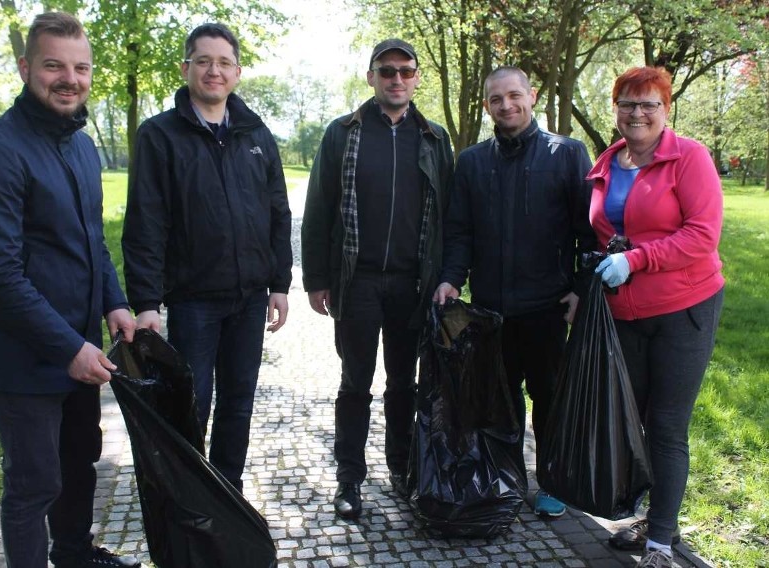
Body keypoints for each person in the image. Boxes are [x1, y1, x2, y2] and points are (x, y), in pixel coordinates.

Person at [0, 12, 140, 568]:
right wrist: (69, 349)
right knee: (34, 486)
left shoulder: (82, 149)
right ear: (25, 67)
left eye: (80, 68)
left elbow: (92, 244)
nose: (69, 78)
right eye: (54, 65)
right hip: (22, 361)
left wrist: (116, 302)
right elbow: (0, 277)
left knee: (80, 463)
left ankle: (75, 555)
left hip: (78, 350)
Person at [122, 23, 292, 493]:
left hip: (250, 299)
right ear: (186, 68)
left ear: (237, 73)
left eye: (223, 63)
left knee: (239, 403)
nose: (213, 71)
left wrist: (279, 283)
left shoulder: (256, 134)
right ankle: (192, 498)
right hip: (194, 301)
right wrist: (147, 302)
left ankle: (228, 492)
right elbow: (145, 225)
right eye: (203, 61)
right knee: (193, 403)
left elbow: (278, 211)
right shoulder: (160, 136)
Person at [301, 38, 454, 519]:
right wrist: (316, 279)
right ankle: (349, 480)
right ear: (370, 76)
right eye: (387, 71)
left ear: (416, 79)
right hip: (357, 282)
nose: (396, 79)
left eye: (406, 72)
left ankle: (401, 469)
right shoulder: (342, 133)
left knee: (404, 385)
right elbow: (318, 209)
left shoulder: (434, 139)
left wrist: (445, 278)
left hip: (412, 284)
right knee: (355, 384)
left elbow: (448, 215)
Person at [434, 66, 596, 518]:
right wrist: (450, 276)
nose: (506, 106)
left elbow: (588, 232)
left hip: (548, 308)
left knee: (549, 399)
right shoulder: (471, 162)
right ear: (487, 106)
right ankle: (503, 478)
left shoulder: (566, 154)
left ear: (533, 96)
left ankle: (552, 481)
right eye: (495, 100)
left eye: (513, 96)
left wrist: (581, 289)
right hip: (490, 310)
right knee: (496, 401)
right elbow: (460, 231)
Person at [590, 67, 724, 568]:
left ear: (666, 109)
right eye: (627, 103)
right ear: (616, 109)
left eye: (649, 104)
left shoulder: (689, 157)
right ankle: (647, 518)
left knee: (666, 427)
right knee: (636, 422)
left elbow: (702, 235)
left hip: (683, 312)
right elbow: (604, 233)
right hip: (625, 315)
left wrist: (636, 260)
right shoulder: (605, 165)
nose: (637, 112)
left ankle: (663, 543)